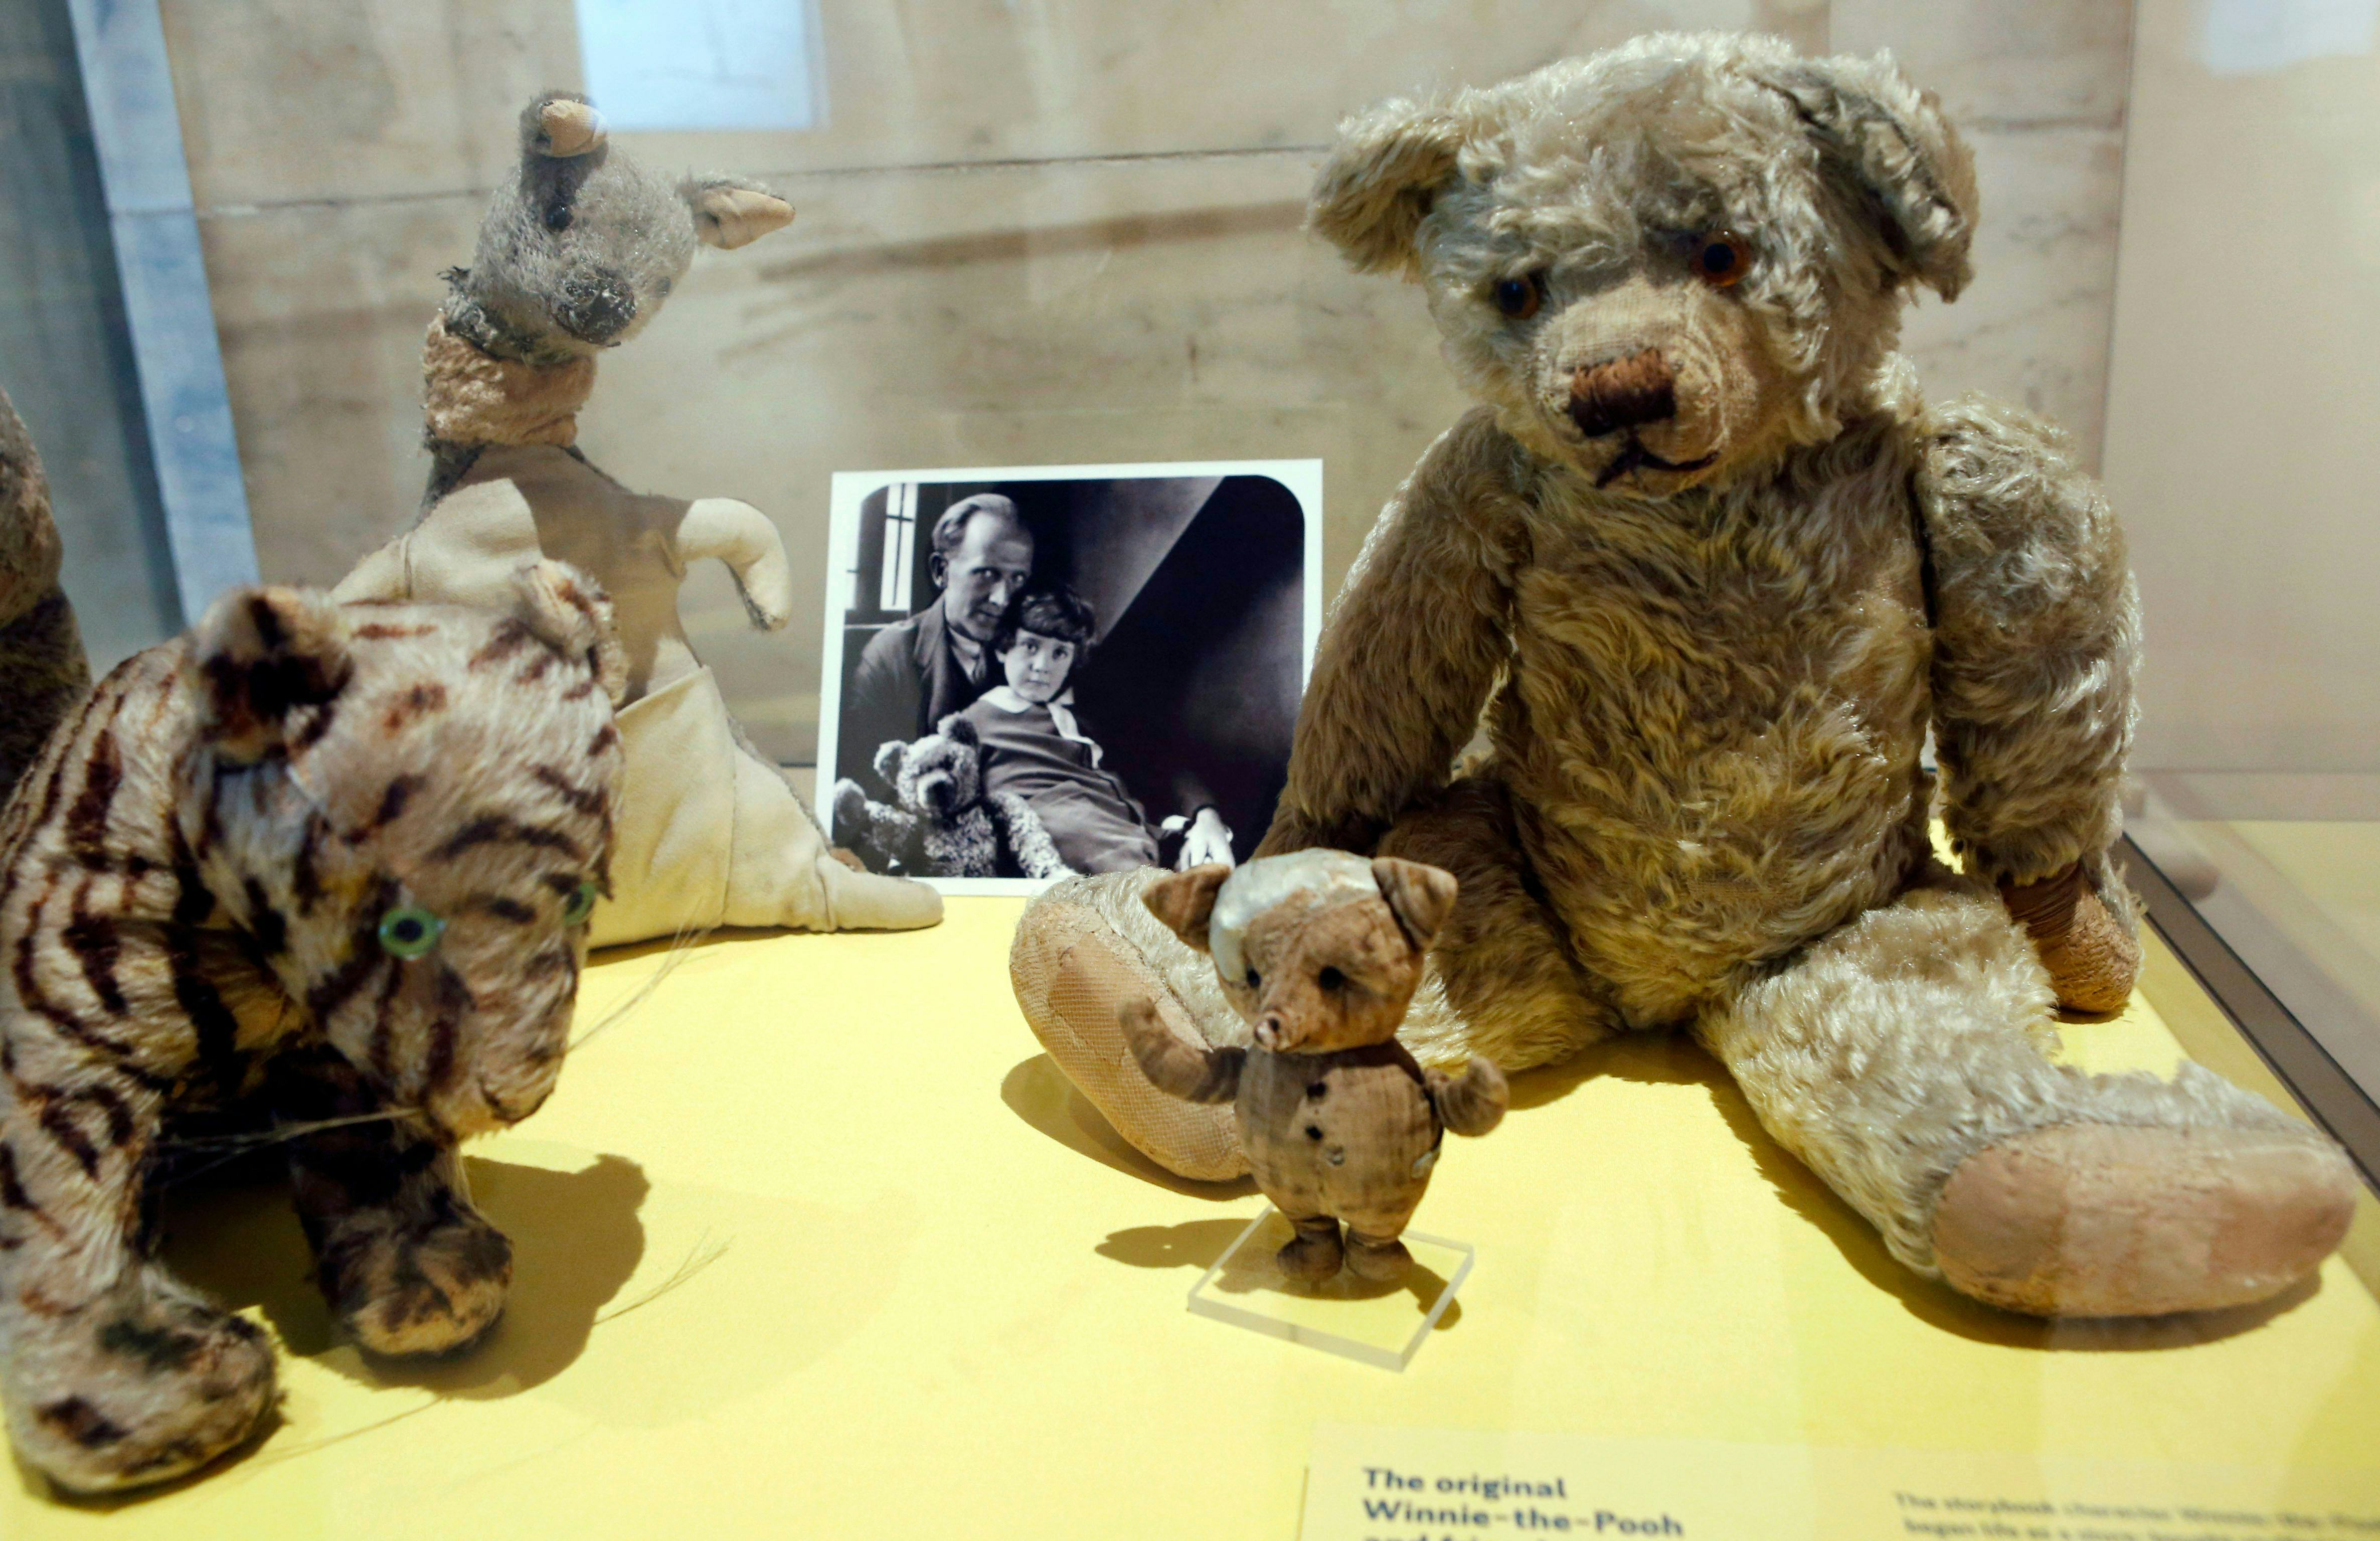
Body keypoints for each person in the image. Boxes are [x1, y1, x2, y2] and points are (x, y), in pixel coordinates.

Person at [960, 587, 1235, 874]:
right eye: (1031, 646)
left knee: (1207, 864)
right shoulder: (975, 721)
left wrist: (1206, 817)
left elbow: (1162, 766)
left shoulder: (1084, 721)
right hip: (1064, 829)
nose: (1043, 666)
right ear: (1004, 648)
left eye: (1060, 653)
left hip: (1126, 831)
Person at [842, 492, 1033, 782]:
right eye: (986, 574)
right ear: (941, 571)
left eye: (1017, 579)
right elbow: (868, 779)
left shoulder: (1034, 651)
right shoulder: (890, 656)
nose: (1002, 599)